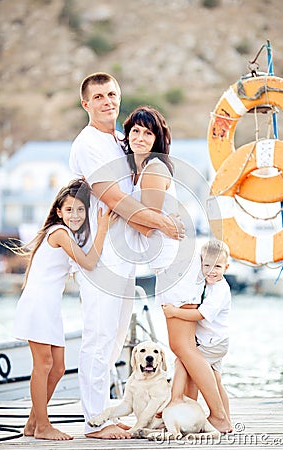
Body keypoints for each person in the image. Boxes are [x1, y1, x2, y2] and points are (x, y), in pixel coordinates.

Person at [69, 72, 184, 439]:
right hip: (97, 253)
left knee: (116, 335)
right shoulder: (88, 143)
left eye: (112, 94)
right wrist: (161, 223)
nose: (107, 101)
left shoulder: (121, 141)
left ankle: (105, 412)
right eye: (98, 96)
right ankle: (94, 420)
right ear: (86, 103)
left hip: (123, 258)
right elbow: (113, 198)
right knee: (99, 335)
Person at [123, 106, 231, 433]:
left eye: (148, 132)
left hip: (176, 267)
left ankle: (220, 417)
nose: (140, 138)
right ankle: (201, 409)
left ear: (158, 138)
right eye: (135, 132)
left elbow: (146, 223)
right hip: (172, 266)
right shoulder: (144, 170)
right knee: (185, 348)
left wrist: (115, 210)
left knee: (183, 347)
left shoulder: (154, 168)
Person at [12, 179, 115, 441]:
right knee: (43, 365)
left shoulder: (68, 236)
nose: (75, 215)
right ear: (59, 212)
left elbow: (82, 265)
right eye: (69, 210)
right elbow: (89, 262)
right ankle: (43, 427)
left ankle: (33, 423)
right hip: (38, 305)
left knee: (57, 368)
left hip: (49, 307)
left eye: (81, 210)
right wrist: (102, 228)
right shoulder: (59, 233)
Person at [162, 239, 232, 427]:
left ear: (226, 267)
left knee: (183, 361)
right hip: (215, 340)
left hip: (212, 343)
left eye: (217, 266)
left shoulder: (219, 290)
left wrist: (175, 312)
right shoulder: (210, 285)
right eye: (206, 265)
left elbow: (201, 314)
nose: (211, 270)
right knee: (215, 380)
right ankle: (226, 421)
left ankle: (176, 401)